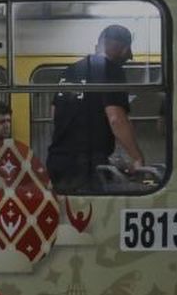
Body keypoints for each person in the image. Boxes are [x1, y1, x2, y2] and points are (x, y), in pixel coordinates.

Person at [47, 24, 146, 193]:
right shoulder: (112, 70)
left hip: (57, 162)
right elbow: (116, 118)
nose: (128, 58)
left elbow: (54, 115)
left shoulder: (70, 71)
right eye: (128, 53)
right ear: (124, 49)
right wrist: (137, 158)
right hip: (86, 168)